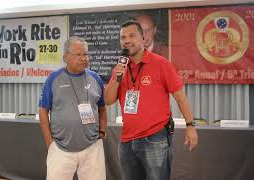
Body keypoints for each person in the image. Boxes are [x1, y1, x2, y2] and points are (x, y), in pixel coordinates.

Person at [104, 20, 198, 180]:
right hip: (127, 140)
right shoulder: (119, 67)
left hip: (155, 138)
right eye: (123, 37)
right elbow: (108, 100)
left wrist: (190, 126)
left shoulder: (161, 64)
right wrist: (116, 79)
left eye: (132, 35)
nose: (126, 40)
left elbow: (180, 97)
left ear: (143, 38)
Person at [38, 36, 107, 180]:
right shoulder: (53, 79)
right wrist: (49, 143)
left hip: (92, 149)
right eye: (78, 54)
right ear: (65, 57)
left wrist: (102, 132)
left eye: (86, 54)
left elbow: (102, 108)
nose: (84, 58)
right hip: (60, 149)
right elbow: (43, 110)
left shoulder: (95, 78)